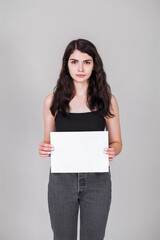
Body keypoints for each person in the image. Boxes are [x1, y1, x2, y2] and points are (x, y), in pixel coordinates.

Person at [38, 38, 122, 240]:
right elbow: (48, 141)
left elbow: (117, 142)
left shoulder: (107, 100)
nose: (80, 68)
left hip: (97, 181)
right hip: (61, 181)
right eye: (74, 61)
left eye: (87, 61)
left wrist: (113, 150)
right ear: (66, 65)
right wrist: (44, 148)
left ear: (94, 65)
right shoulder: (53, 100)